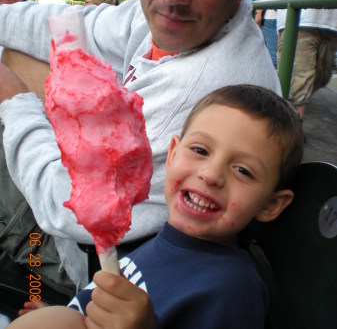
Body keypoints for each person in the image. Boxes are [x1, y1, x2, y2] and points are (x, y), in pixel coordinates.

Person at [0, 0, 281, 291]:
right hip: (82, 206)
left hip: (91, 264)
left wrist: (14, 101)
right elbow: (72, 25)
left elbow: (67, 209)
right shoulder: (165, 19)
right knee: (19, 52)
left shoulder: (208, 94)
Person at [7, 84, 304, 329]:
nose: (211, 174)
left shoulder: (233, 293)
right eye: (200, 150)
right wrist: (76, 310)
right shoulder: (166, 241)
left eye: (243, 171)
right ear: (173, 154)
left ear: (271, 204)